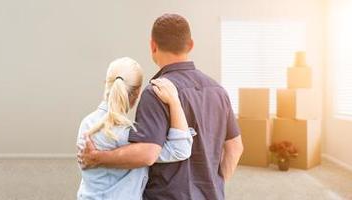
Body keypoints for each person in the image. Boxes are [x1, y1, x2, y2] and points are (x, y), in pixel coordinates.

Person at [77, 13, 244, 200]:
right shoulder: (218, 91)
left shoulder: (155, 92)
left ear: (153, 45)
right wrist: (214, 186)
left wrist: (98, 157)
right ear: (190, 45)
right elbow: (235, 148)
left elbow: (147, 152)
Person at [76, 57, 196, 200]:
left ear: (106, 84)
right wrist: (174, 101)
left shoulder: (87, 123)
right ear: (138, 93)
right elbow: (180, 149)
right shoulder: (129, 134)